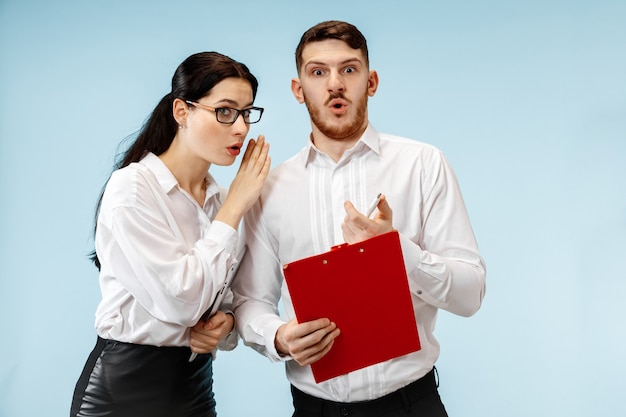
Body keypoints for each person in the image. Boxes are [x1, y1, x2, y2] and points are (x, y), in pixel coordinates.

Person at [230, 21, 486, 416]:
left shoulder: (423, 165)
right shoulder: (269, 188)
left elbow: (470, 295)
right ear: (299, 90)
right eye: (318, 72)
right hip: (315, 409)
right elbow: (250, 301)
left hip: (411, 405)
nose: (335, 84)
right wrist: (279, 337)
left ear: (371, 82)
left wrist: (394, 250)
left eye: (349, 69)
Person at [70, 51, 271, 417]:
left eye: (246, 112)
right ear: (182, 111)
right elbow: (181, 302)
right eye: (225, 111)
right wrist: (233, 210)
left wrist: (224, 325)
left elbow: (226, 298)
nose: (241, 127)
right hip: (124, 394)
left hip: (194, 389)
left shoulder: (220, 200)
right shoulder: (133, 189)